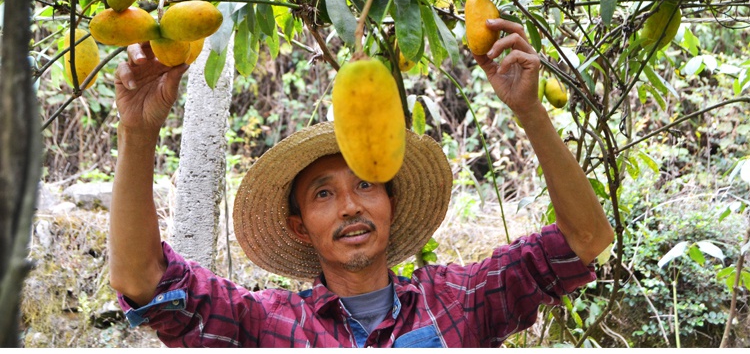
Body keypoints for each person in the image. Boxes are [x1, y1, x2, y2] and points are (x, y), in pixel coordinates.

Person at [109, 18, 614, 347]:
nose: (350, 206)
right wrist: (138, 132)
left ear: (391, 204)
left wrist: (530, 112)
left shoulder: (458, 301)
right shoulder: (268, 326)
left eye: (366, 185)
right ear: (300, 226)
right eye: (323, 193)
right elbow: (143, 281)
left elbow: (586, 241)